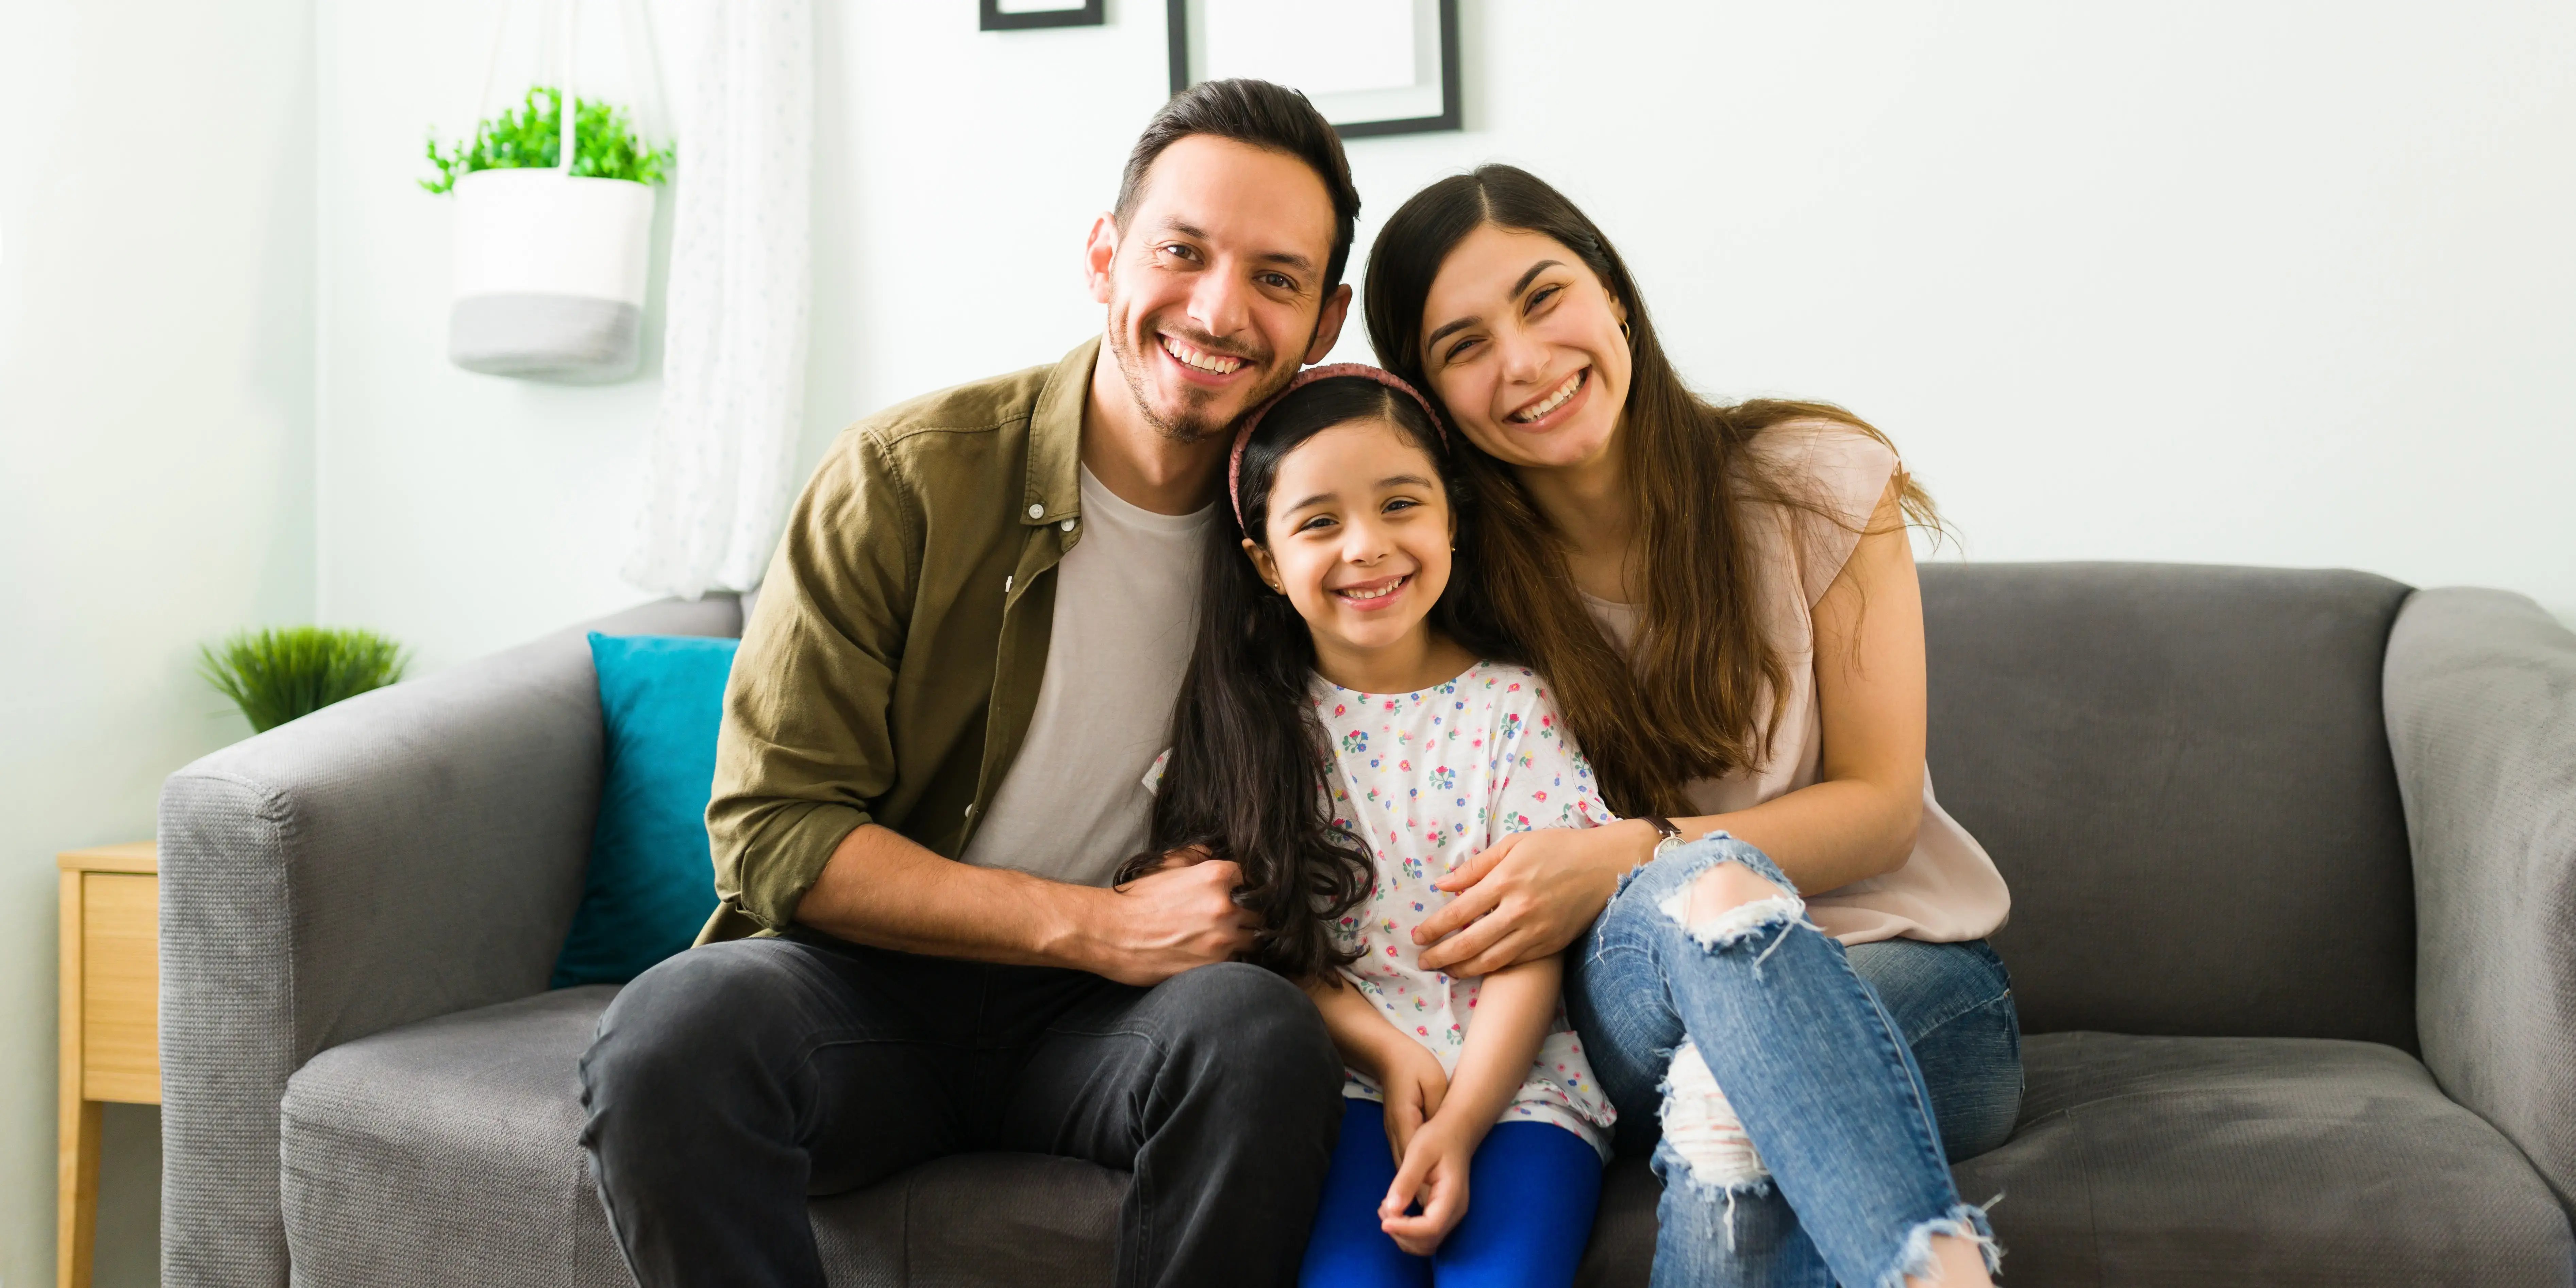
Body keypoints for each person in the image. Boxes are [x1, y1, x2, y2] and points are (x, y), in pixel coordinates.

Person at [577, 80, 1366, 1288]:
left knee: (1260, 1035)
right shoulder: (905, 478)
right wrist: (1097, 926)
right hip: (864, 996)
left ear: (1325, 320)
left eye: (1276, 276)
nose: (1220, 307)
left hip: (1111, 1031)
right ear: (1104, 256)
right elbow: (774, 832)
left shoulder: (1317, 533)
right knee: (671, 1034)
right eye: (1182, 250)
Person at [1361, 165, 2021, 1288]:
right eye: (1462, 346)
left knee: (1727, 1093)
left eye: (1542, 297)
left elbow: (1879, 811)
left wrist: (1637, 850)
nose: (1522, 362)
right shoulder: (1447, 583)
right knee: (1705, 951)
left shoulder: (1813, 482)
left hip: (1904, 973)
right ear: (1427, 395)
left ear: (1613, 293)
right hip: (1633, 998)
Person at [1130, 365, 1616, 1288]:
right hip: (1339, 1088)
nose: (1368, 545)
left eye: (1401, 504)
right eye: (1319, 521)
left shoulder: (1514, 707)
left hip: (1519, 1093)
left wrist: (1463, 1119)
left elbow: (1530, 938)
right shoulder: (1244, 729)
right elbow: (1255, 948)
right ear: (1266, 561)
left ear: (1450, 519)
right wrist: (1390, 1054)